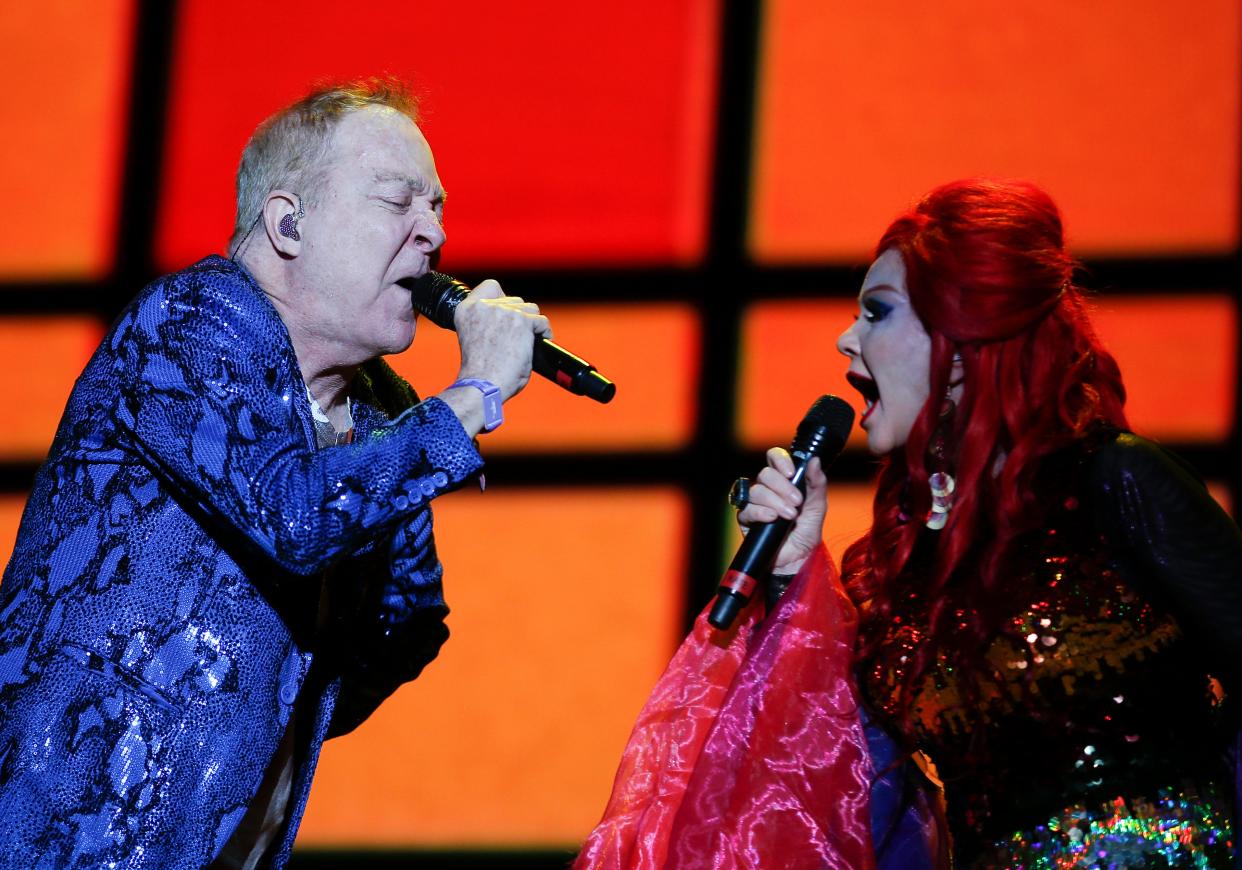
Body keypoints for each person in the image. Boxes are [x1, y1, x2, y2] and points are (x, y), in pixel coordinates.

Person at [577, 179, 1240, 868]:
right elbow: (836, 775)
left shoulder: (1115, 483)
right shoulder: (904, 560)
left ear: (964, 331)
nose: (845, 338)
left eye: (876, 312)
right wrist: (789, 576)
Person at [0, 78, 548, 868]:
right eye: (400, 204)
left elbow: (407, 626)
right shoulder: (194, 322)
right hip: (73, 842)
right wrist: (473, 396)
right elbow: (294, 515)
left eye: (437, 208)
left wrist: (258, 711)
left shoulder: (375, 407)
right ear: (289, 223)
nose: (433, 234)